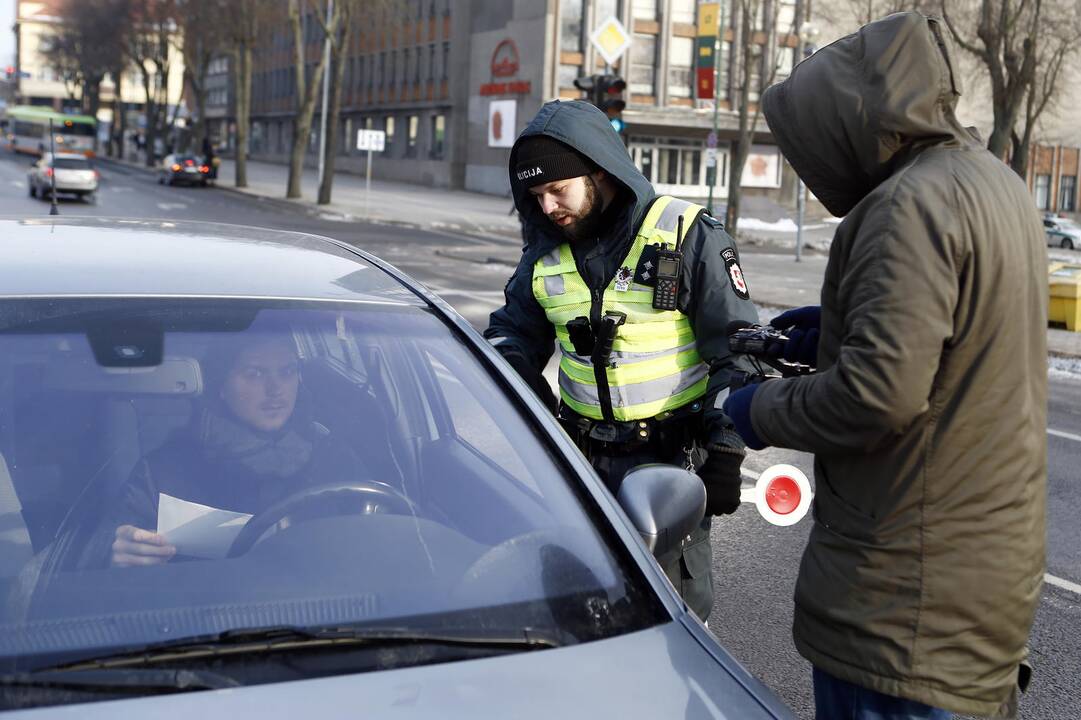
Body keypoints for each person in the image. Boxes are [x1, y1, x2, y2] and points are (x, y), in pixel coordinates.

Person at [721, 13, 1047, 719]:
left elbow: (877, 397)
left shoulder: (906, 206)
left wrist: (752, 412)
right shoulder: (992, 182)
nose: (807, 172)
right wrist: (832, 333)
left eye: (805, 150)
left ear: (845, 126)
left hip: (903, 609)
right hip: (977, 579)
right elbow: (954, 347)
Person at [484, 100, 758, 622]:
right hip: (580, 467)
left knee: (672, 618)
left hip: (670, 463)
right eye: (535, 196)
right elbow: (510, 333)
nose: (548, 208)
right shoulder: (544, 253)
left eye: (558, 190)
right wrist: (527, 392)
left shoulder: (686, 234)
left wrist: (726, 448)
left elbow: (736, 349)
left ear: (599, 171)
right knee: (577, 614)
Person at [109, 329, 365, 567]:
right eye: (255, 374)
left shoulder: (334, 456)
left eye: (286, 372)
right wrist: (121, 552)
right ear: (221, 385)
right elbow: (106, 563)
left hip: (328, 610)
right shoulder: (164, 471)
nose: (275, 389)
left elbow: (373, 542)